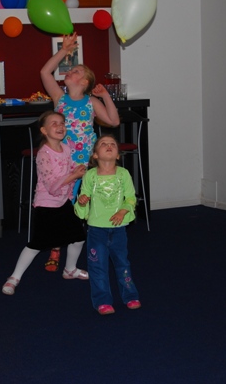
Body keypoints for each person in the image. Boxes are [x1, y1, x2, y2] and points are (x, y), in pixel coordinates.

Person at [40, 32, 120, 271]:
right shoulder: (59, 98)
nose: (70, 71)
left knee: (82, 205)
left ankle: (82, 245)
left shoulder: (91, 102)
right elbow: (45, 72)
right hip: (62, 164)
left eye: (76, 71)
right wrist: (64, 51)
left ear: (85, 82)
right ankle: (56, 246)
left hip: (84, 165)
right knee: (61, 204)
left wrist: (105, 97)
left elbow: (113, 121)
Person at [2, 111, 89, 295]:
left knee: (78, 237)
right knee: (37, 244)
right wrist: (73, 175)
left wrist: (77, 171)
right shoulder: (44, 154)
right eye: (54, 124)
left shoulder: (66, 148)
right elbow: (51, 186)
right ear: (44, 130)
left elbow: (68, 172)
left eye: (62, 123)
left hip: (63, 202)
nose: (60, 126)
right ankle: (14, 278)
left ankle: (70, 269)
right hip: (46, 205)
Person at [74, 134, 140, 315]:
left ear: (118, 155)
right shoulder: (90, 175)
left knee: (122, 263)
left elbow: (131, 198)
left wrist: (123, 211)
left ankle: (130, 295)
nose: (108, 145)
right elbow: (83, 198)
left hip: (119, 230)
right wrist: (82, 202)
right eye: (103, 144)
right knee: (98, 266)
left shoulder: (123, 174)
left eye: (112, 144)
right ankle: (102, 301)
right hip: (96, 230)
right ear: (95, 155)